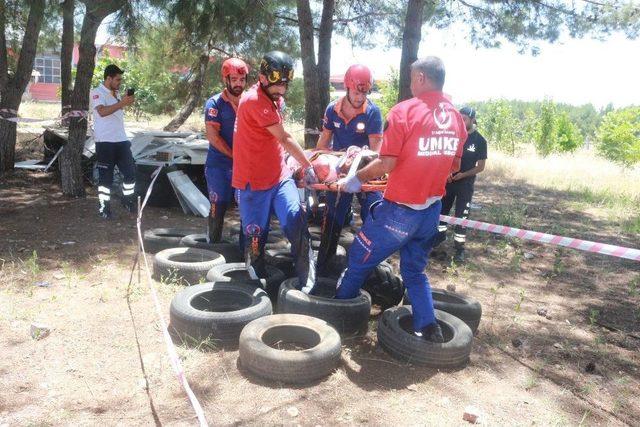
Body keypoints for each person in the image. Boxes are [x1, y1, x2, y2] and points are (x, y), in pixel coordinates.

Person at [334, 56, 467, 342]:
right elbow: (454, 167)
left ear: (420, 78)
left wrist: (355, 181)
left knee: (358, 258)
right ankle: (429, 328)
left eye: (411, 79)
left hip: (400, 212)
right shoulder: (456, 117)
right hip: (431, 210)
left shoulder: (405, 111)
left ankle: (339, 321)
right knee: (414, 271)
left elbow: (386, 163)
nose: (410, 84)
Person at [232, 51, 318, 291]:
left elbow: (272, 138)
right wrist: (307, 165)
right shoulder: (253, 101)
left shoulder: (275, 99)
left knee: (295, 221)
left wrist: (291, 162)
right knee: (256, 236)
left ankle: (308, 281)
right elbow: (285, 137)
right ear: (262, 77)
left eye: (285, 84)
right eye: (277, 83)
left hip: (279, 177)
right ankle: (257, 289)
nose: (282, 89)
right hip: (252, 182)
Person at [315, 64, 383, 271]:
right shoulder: (332, 110)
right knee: (332, 215)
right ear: (347, 87)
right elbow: (323, 144)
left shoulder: (372, 113)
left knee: (374, 213)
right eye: (356, 91)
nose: (360, 96)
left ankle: (371, 265)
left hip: (366, 170)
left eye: (364, 92)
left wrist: (363, 174)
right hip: (340, 170)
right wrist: (319, 166)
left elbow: (376, 151)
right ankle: (325, 262)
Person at [433, 106, 487, 264]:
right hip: (448, 182)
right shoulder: (452, 136)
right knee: (441, 211)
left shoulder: (480, 140)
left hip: (465, 185)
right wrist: (446, 172)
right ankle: (439, 238)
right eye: (459, 118)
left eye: (464, 119)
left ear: (472, 120)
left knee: (461, 217)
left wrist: (463, 175)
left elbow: (481, 167)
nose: (461, 122)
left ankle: (459, 249)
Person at [203, 58, 248, 242]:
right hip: (219, 165)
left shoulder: (251, 102)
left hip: (245, 166)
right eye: (235, 79)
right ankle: (212, 247)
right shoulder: (214, 104)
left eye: (242, 79)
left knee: (247, 206)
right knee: (217, 205)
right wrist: (235, 156)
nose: (239, 83)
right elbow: (213, 137)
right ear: (226, 79)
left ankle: (245, 252)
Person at [91, 64, 136, 219]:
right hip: (105, 142)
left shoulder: (115, 94)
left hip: (121, 141)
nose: (120, 83)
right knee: (106, 179)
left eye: (120, 80)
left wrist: (122, 101)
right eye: (117, 79)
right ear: (108, 78)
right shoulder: (97, 92)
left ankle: (127, 200)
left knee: (130, 174)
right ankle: (104, 207)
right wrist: (122, 103)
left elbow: (115, 112)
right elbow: (102, 112)